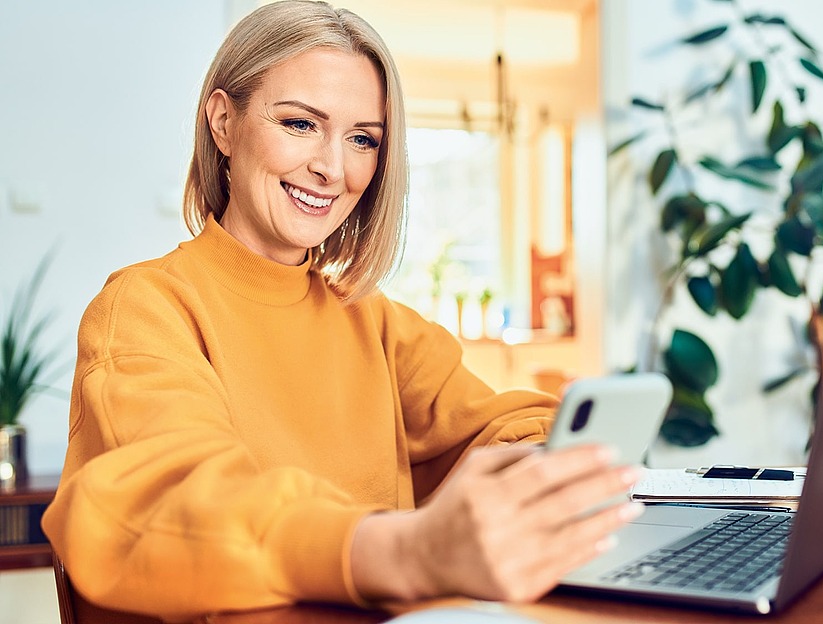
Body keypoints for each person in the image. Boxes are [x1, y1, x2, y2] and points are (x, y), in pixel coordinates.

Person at [41, 1, 642, 620]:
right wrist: (408, 549)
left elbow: (497, 422)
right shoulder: (145, 308)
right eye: (300, 124)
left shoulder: (370, 319)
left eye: (362, 139)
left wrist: (557, 465)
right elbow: (186, 501)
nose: (332, 168)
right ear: (224, 123)